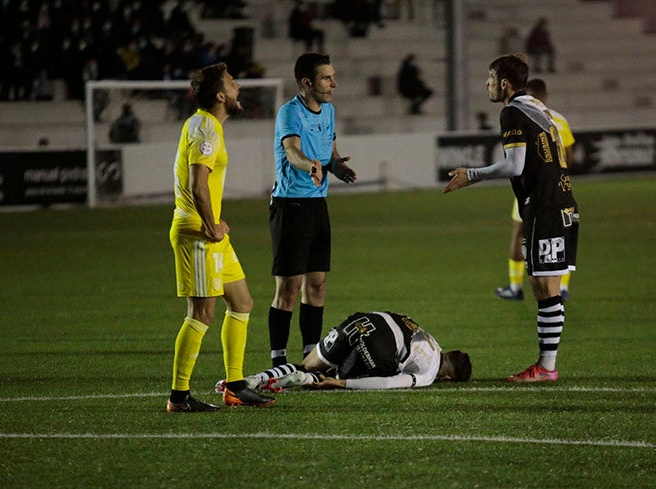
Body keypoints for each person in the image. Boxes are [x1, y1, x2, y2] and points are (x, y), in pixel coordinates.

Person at [444, 54, 579, 384]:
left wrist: (471, 174)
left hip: (544, 206)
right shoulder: (539, 107)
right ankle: (547, 365)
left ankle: (547, 367)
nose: (486, 84)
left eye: (490, 78)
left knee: (544, 287)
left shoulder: (512, 112)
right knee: (547, 286)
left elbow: (514, 165)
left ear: (504, 83)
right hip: (563, 203)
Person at [166, 62, 275, 412]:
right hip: (198, 232)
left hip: (210, 232)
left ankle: (236, 385)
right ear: (220, 95)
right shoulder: (206, 131)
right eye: (232, 82)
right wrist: (211, 225)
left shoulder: (207, 125)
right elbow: (198, 183)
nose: (238, 86)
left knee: (242, 302)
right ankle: (179, 397)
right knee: (201, 313)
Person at [268, 52, 356, 368]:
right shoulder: (289, 113)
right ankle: (279, 359)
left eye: (332, 76)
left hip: (318, 206)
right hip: (291, 207)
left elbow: (328, 153)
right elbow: (292, 151)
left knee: (317, 284)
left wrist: (334, 166)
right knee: (289, 288)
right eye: (326, 78)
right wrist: (311, 166)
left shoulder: (329, 111)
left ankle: (310, 357)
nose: (333, 83)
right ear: (307, 82)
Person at [217, 310, 471, 392]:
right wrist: (343, 384)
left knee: (308, 363)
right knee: (331, 374)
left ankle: (253, 379)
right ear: (447, 377)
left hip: (362, 320)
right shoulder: (429, 372)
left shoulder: (432, 340)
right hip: (380, 346)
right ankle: (309, 380)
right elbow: (389, 383)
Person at [494, 78, 575, 302]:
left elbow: (515, 159)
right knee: (560, 236)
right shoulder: (558, 119)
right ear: (546, 96)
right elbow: (568, 157)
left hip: (530, 189)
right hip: (558, 189)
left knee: (519, 234)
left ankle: (515, 287)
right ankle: (563, 287)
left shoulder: (520, 116)